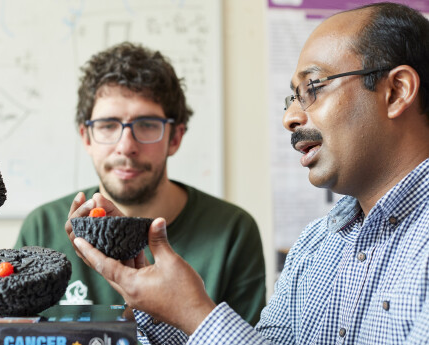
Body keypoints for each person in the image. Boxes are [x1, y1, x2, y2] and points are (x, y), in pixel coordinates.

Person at [66, 3, 429, 344]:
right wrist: (165, 308)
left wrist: (194, 313)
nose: (290, 118)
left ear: (396, 92)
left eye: (313, 89)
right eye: (293, 98)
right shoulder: (316, 244)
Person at [15, 42, 266, 324]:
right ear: (86, 138)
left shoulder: (233, 231)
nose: (126, 146)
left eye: (146, 125)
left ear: (175, 138)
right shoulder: (41, 228)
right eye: (108, 126)